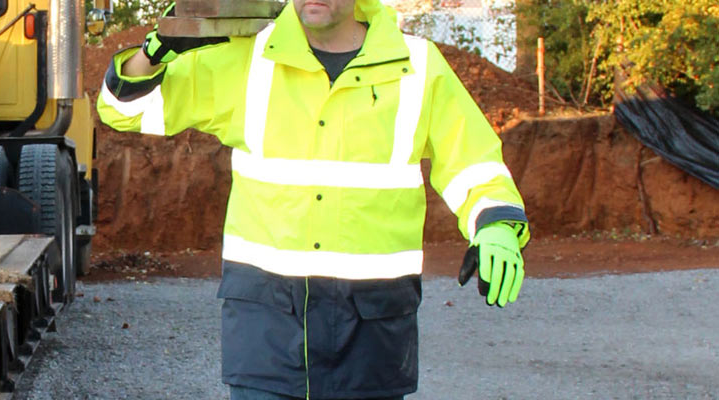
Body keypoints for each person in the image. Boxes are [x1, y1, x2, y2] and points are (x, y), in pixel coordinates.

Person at [96, 0, 531, 398]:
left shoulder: (417, 67)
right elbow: (123, 108)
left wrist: (495, 223)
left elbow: (472, 160)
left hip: (372, 331)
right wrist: (155, 51)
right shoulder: (251, 59)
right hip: (269, 328)